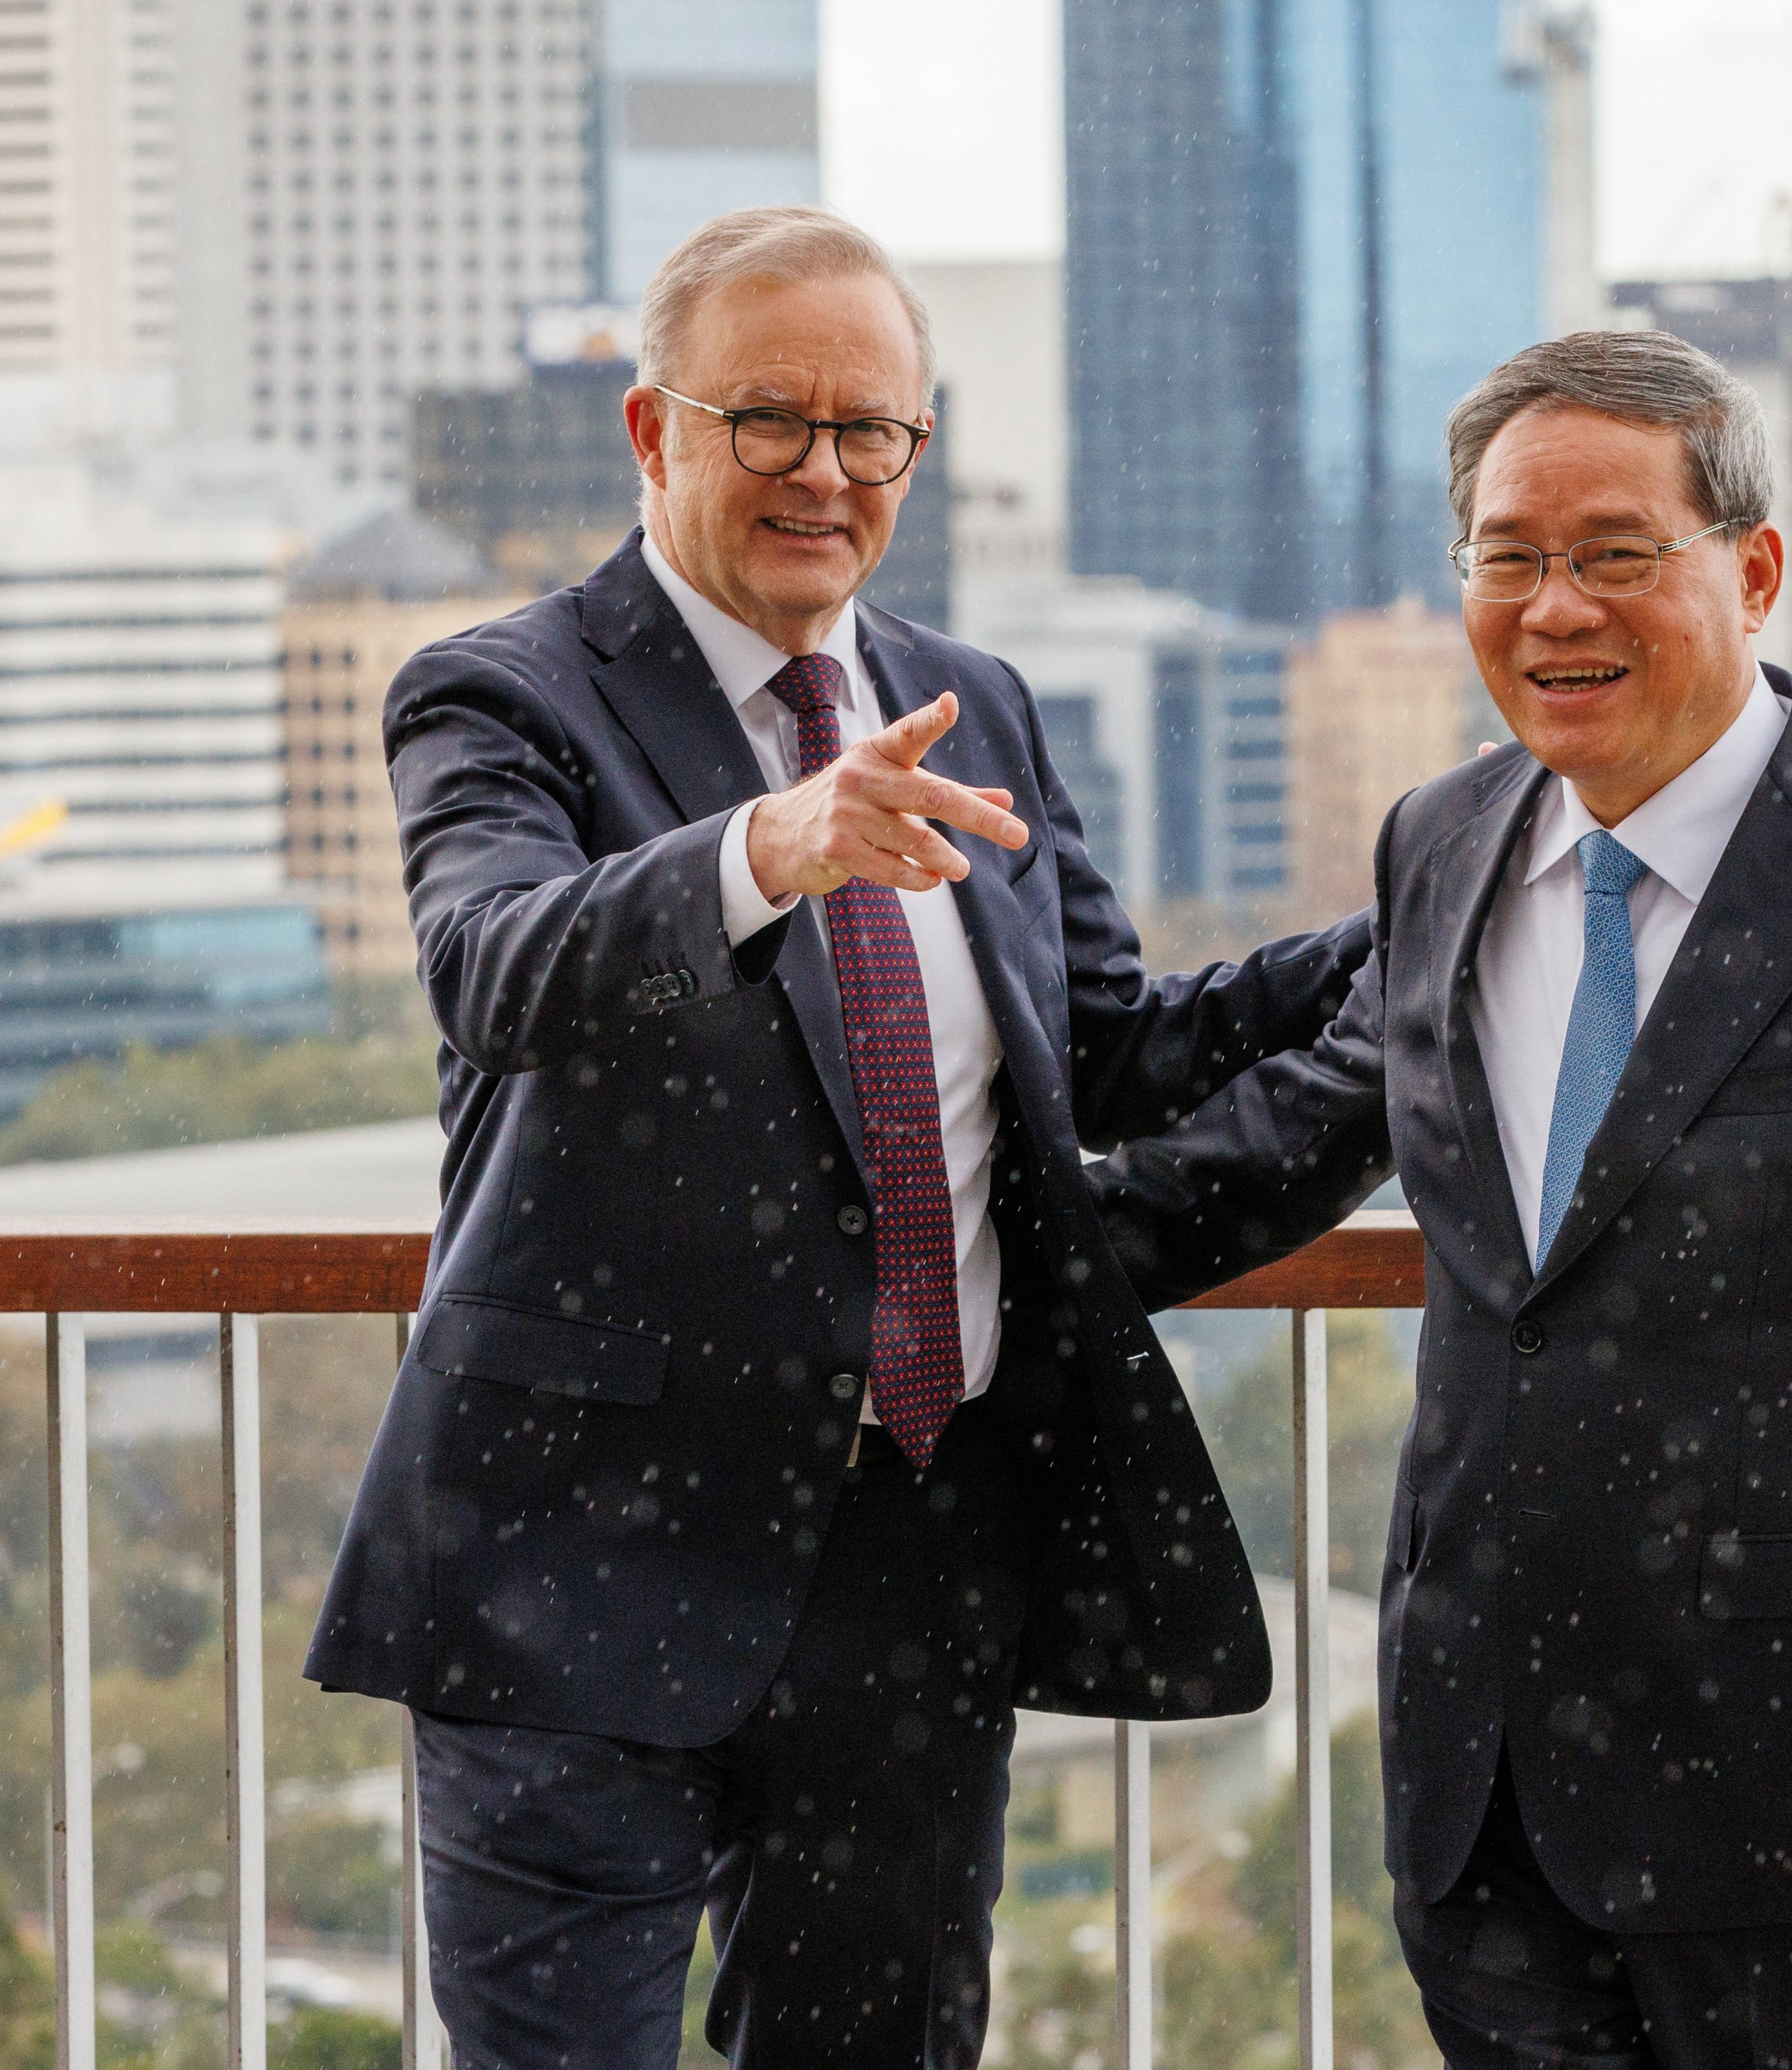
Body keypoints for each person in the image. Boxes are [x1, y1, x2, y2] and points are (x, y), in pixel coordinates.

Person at [304, 205, 1371, 2070]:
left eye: (870, 428)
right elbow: (495, 969)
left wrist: (1428, 923)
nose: (825, 469)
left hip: (908, 1567)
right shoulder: (502, 690)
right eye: (768, 420)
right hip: (578, 1577)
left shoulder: (978, 703)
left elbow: (1104, 1053)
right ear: (653, 434)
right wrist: (770, 845)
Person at [1088, 329, 1792, 2068]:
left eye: (1616, 555)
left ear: (1753, 570)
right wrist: (932, 1277)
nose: (1555, 608)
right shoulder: (1444, 840)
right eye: (1508, 557)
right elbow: (1308, 1123)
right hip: (1486, 1790)